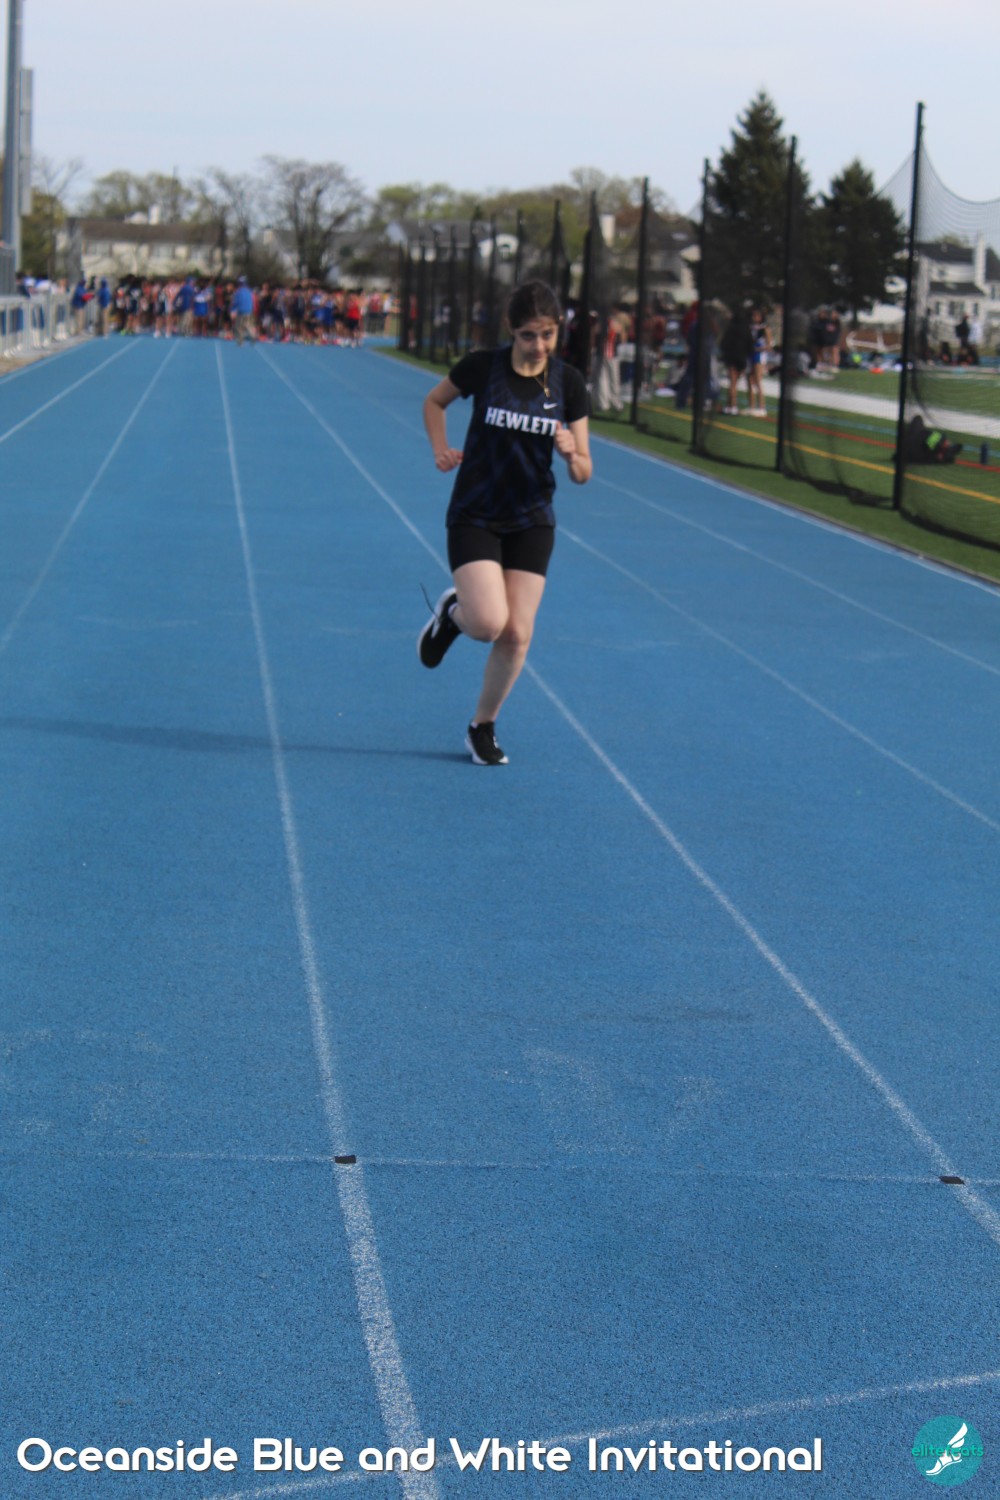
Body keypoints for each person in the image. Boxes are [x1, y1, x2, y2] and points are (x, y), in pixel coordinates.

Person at [418, 279, 592, 766]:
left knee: (516, 633)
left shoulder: (568, 383)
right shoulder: (482, 367)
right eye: (528, 335)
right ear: (510, 330)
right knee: (487, 624)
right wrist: (440, 449)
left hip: (532, 519)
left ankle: (482, 726)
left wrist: (572, 454)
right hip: (475, 512)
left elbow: (584, 472)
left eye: (548, 334)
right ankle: (453, 615)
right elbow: (434, 401)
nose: (539, 345)